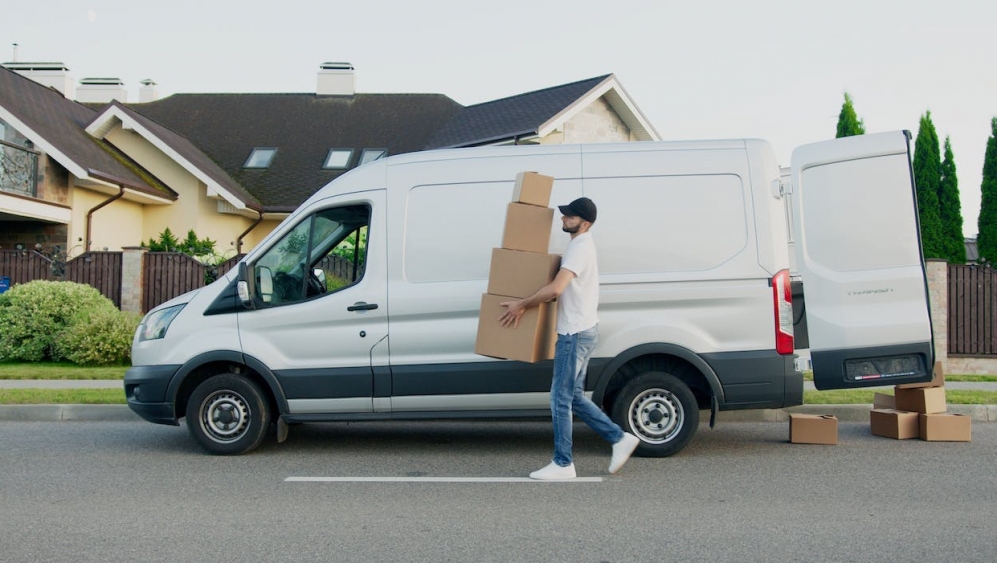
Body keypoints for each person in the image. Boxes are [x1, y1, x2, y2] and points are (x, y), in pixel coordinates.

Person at [498, 197, 640, 480]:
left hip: (574, 333)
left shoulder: (580, 247)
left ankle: (563, 463)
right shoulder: (580, 245)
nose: (563, 219)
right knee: (572, 396)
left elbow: (555, 289)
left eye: (569, 216)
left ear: (584, 222)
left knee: (559, 398)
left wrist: (522, 304)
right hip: (584, 329)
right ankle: (618, 438)